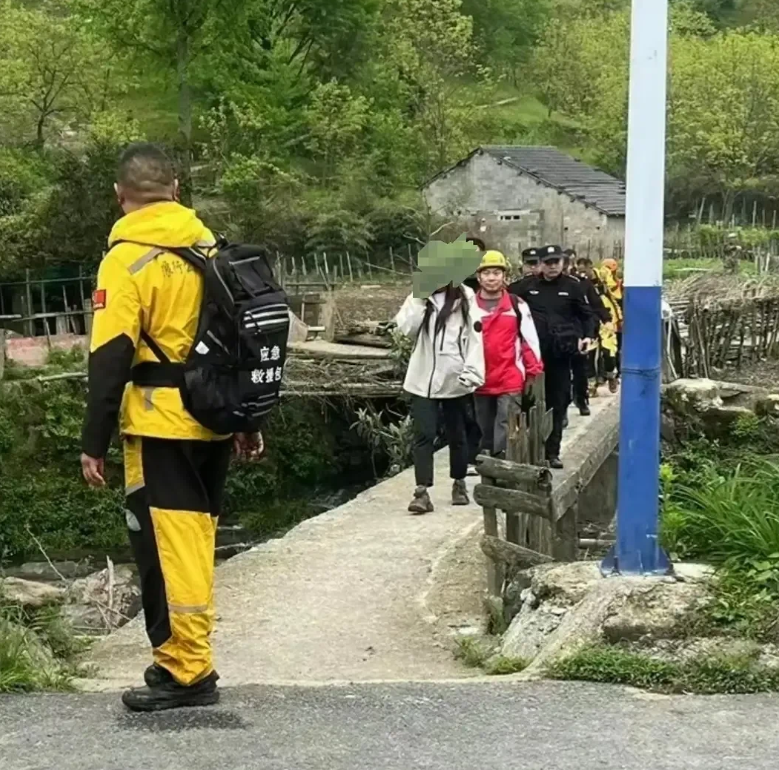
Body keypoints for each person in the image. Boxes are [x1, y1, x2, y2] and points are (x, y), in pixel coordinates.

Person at [81, 143, 262, 712]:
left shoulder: (126, 258)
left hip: (162, 423)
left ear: (120, 196)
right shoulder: (210, 246)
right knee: (196, 541)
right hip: (214, 415)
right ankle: (181, 660)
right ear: (177, 190)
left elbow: (111, 355)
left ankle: (187, 672)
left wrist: (93, 440)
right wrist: (246, 418)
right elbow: (241, 339)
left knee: (169, 547)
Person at [395, 283, 484, 513]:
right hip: (422, 378)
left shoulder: (465, 297)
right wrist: (419, 299)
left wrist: (473, 372)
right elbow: (406, 328)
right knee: (424, 434)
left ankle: (459, 482)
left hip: (455, 379)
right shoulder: (420, 295)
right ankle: (422, 491)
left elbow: (476, 338)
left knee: (457, 434)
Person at [511, 245, 595, 469]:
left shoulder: (573, 287)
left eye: (556, 262)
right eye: (547, 262)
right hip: (531, 357)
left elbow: (587, 316)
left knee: (558, 402)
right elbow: (503, 306)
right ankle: (529, 450)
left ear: (563, 263)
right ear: (540, 264)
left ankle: (552, 452)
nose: (552, 266)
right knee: (529, 403)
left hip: (560, 355)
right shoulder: (525, 287)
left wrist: (587, 336)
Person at [473, 251, 543, 458]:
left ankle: (503, 465)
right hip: (478, 377)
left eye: (497, 272)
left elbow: (530, 341)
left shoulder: (517, 305)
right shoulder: (468, 307)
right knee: (482, 427)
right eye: (487, 273)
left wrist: (534, 372)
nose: (492, 278)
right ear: (479, 277)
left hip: (509, 377)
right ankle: (486, 466)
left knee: (507, 425)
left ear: (505, 277)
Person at [569, 252, 608, 415]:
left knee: (582, 367)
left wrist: (606, 319)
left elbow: (595, 304)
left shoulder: (581, 284)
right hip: (557, 335)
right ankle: (561, 408)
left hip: (580, 332)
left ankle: (582, 398)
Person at [577, 257, 621, 397]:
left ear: (591, 268)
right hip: (589, 322)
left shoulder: (602, 277)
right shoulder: (578, 284)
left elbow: (613, 294)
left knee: (609, 352)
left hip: (605, 319)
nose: (582, 274)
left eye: (584, 271)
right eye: (579, 271)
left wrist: (614, 318)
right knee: (589, 355)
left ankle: (611, 375)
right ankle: (591, 384)